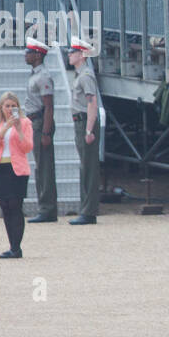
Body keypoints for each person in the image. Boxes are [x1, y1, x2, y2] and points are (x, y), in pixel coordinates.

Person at [0, 91, 34, 259]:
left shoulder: (25, 122)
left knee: (15, 205)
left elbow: (27, 147)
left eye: (13, 106)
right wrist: (6, 126)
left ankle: (16, 246)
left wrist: (19, 130)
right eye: (7, 106)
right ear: (1, 107)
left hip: (17, 168)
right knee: (5, 206)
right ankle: (12, 244)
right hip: (1, 167)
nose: (10, 109)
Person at [22, 38, 58, 223]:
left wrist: (45, 132)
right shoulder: (35, 74)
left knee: (44, 167)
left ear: (37, 55)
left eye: (29, 52)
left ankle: (47, 208)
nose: (25, 54)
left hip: (40, 122)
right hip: (34, 122)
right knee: (40, 166)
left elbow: (48, 106)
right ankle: (44, 206)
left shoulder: (43, 76)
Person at [68, 37, 101, 225]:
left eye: (72, 52)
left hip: (84, 122)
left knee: (88, 167)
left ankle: (89, 211)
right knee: (85, 166)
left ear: (81, 55)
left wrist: (89, 130)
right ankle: (86, 209)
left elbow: (92, 104)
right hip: (80, 121)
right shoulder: (81, 75)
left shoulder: (86, 76)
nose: (69, 56)